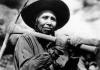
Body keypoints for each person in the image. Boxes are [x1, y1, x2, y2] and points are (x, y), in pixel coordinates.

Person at [14, 0, 100, 70]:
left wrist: (74, 54)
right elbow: (26, 68)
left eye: (53, 19)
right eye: (45, 18)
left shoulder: (57, 43)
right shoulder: (26, 38)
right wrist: (55, 51)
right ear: (36, 21)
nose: (49, 22)